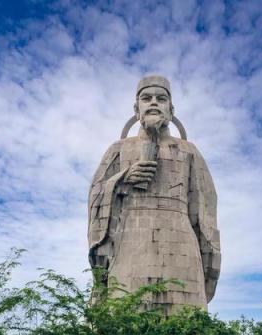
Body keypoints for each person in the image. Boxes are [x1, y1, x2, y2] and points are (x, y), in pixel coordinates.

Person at [88, 76, 220, 314]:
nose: (154, 103)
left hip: (181, 242)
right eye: (146, 98)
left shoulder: (189, 151)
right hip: (130, 243)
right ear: (136, 108)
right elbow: (96, 195)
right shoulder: (118, 149)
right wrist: (122, 180)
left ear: (171, 108)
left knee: (188, 322)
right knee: (126, 314)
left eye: (161, 98)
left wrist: (208, 261)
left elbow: (205, 209)